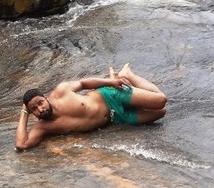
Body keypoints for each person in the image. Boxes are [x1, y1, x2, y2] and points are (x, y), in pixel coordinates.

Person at [15, 63, 167, 151]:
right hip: (116, 118)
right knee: (160, 113)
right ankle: (123, 81)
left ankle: (127, 74)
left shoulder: (61, 91)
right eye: (34, 109)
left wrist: (111, 83)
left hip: (111, 95)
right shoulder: (43, 127)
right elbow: (22, 144)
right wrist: (24, 112)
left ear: (46, 98)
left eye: (40, 103)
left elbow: (84, 83)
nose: (40, 109)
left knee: (161, 101)